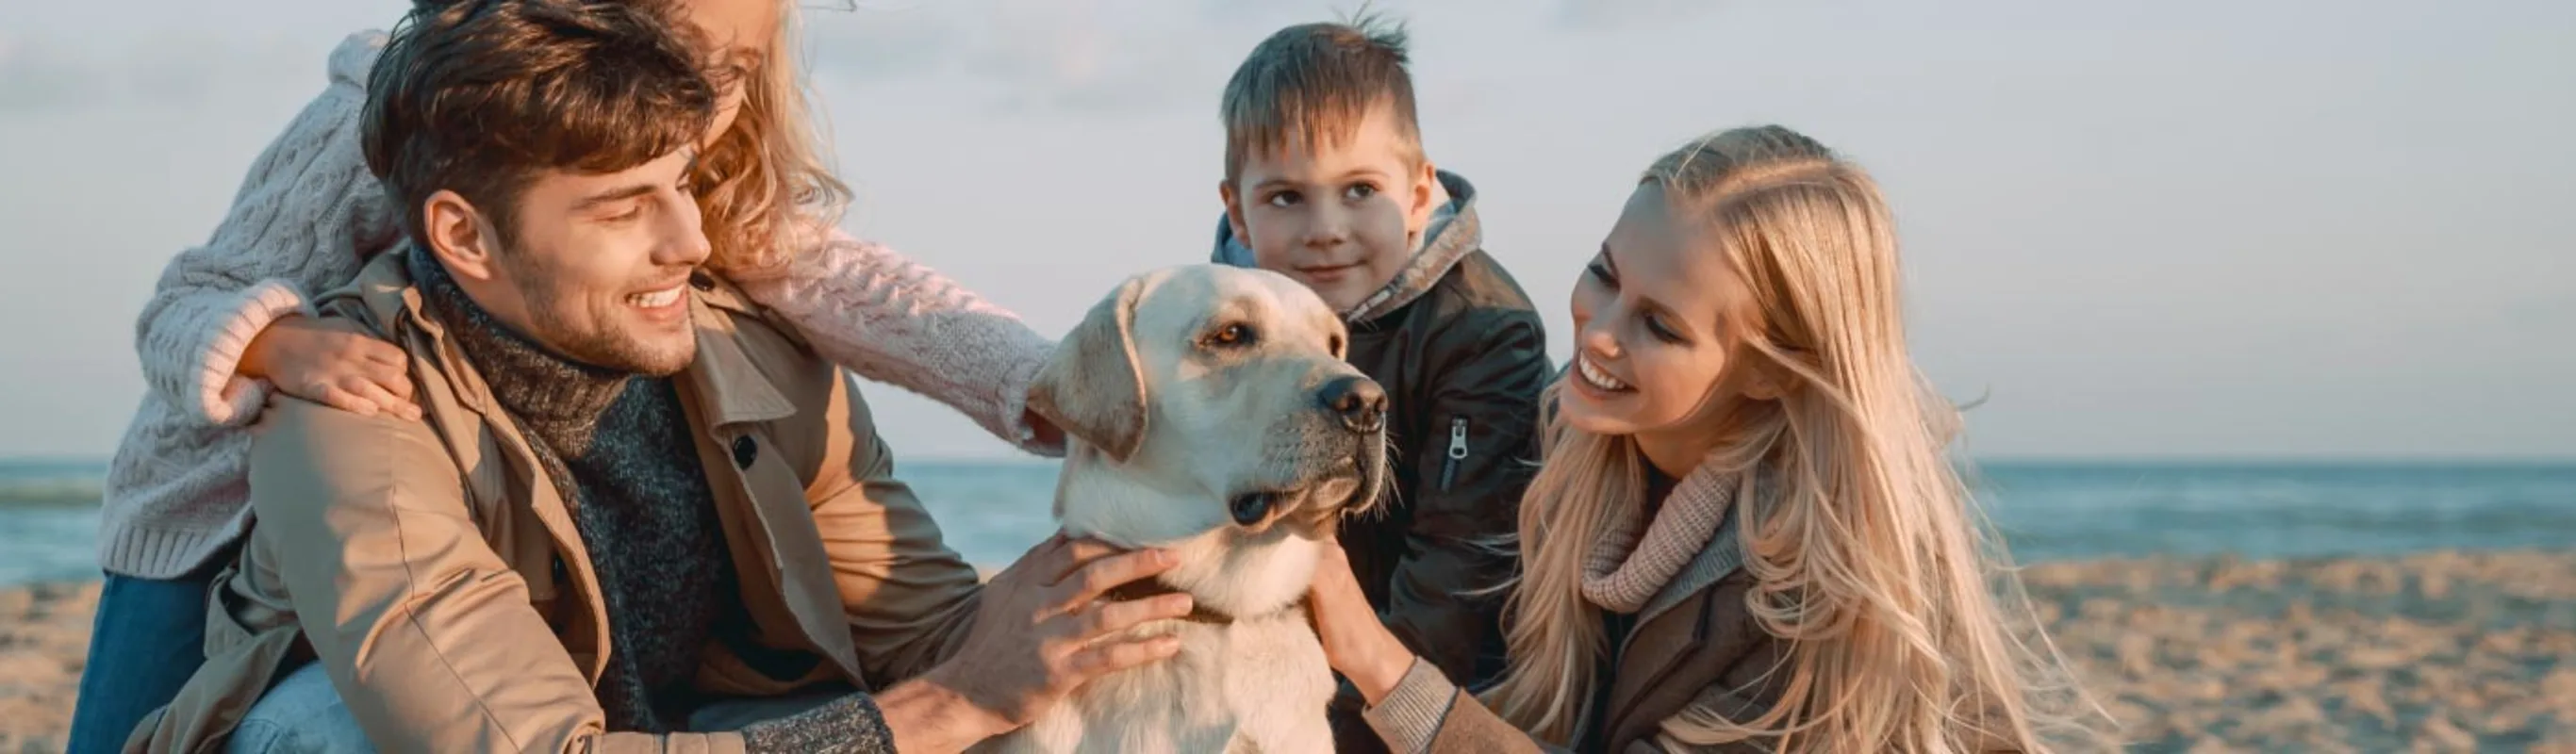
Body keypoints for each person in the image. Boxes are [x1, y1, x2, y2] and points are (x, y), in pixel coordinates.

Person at [125, 3, 1185, 751]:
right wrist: (943, 708)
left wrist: (1084, 497)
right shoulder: (354, 389)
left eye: (682, 180)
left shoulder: (739, 326)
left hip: (635, 700)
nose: (692, 238)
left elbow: (868, 301)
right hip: (199, 506)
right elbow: (189, 302)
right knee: (319, 726)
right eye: (626, 204)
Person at [1307, 125, 2117, 752]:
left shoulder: (1813, 599)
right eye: (1605, 274)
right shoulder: (1569, 446)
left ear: (1772, 371)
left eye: (1659, 324)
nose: (1598, 337)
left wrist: (1378, 663)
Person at [1206, 14, 1553, 750]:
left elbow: (1459, 584)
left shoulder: (1484, 334)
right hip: (1288, 669)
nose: (1326, 228)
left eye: (1360, 189)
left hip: (1445, 683)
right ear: (1237, 208)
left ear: (1420, 195)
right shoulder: (1218, 320)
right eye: (1286, 198)